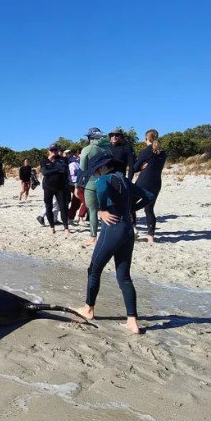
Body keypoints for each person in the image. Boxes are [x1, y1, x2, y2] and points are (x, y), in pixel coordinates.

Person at [78, 153, 155, 334]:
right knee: (124, 277)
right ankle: (132, 322)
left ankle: (88, 309)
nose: (95, 175)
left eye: (95, 171)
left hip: (112, 229)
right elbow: (149, 196)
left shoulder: (103, 179)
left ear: (102, 167)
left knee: (94, 269)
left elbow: (102, 190)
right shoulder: (124, 180)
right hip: (128, 230)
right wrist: (130, 209)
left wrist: (103, 210)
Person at [133, 128, 168, 242]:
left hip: (144, 181)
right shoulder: (163, 152)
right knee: (149, 209)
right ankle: (150, 236)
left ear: (146, 138)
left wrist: (140, 167)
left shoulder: (146, 150)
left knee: (130, 204)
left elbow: (134, 167)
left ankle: (133, 229)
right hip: (156, 182)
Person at [78, 127, 108, 245]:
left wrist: (77, 185)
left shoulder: (87, 149)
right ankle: (106, 235)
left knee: (93, 210)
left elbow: (82, 169)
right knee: (106, 209)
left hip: (91, 183)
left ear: (90, 137)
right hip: (106, 182)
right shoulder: (107, 149)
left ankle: (93, 237)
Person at [38, 144, 70, 234]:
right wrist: (56, 170)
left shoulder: (63, 159)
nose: (54, 152)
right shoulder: (44, 160)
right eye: (52, 150)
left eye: (55, 150)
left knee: (63, 207)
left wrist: (52, 169)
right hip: (48, 187)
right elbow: (44, 172)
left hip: (61, 187)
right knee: (49, 207)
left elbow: (63, 169)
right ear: (48, 151)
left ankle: (66, 227)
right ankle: (52, 227)